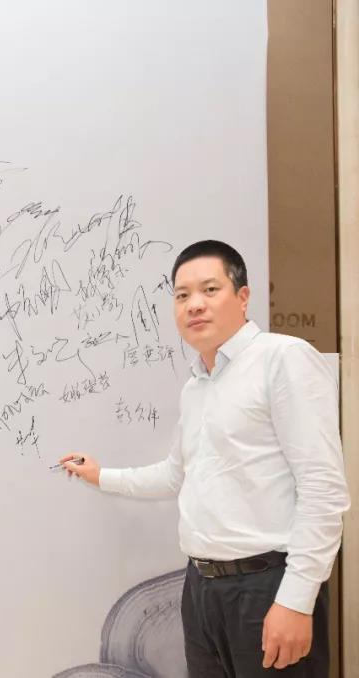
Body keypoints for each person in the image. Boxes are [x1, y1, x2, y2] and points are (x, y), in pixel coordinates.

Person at [60, 240, 350, 676]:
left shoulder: (283, 359)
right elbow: (175, 474)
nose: (194, 304)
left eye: (210, 290)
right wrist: (102, 475)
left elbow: (323, 491)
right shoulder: (197, 386)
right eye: (182, 295)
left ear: (243, 296)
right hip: (200, 590)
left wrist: (296, 600)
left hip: (266, 587)